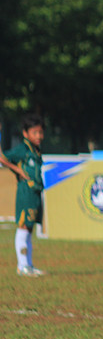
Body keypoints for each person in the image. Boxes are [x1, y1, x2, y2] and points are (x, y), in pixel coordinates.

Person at [3, 115, 46, 276]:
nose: (39, 136)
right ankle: (22, 266)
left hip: (35, 192)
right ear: (25, 133)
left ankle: (29, 265)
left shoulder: (36, 149)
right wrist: (18, 170)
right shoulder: (23, 149)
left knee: (29, 228)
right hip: (25, 192)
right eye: (35, 133)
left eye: (41, 133)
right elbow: (3, 157)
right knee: (23, 227)